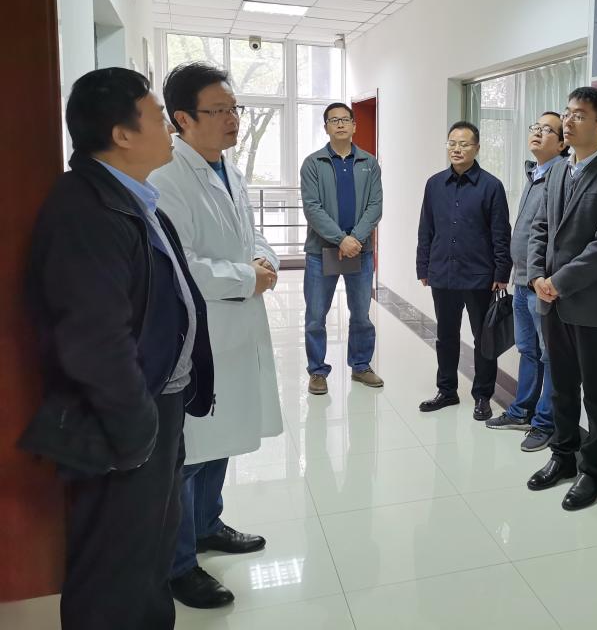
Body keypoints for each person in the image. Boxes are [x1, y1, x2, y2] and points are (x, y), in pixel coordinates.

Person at [21, 67, 213, 630]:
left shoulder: (130, 197)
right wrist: (136, 431)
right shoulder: (85, 211)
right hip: (122, 421)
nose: (170, 129)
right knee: (115, 569)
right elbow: (93, 340)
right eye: (157, 118)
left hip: (153, 408)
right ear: (122, 134)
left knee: (148, 554)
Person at [149, 62, 284, 610]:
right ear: (183, 118)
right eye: (220, 110)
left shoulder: (227, 168)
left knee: (222, 437)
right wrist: (247, 277)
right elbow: (181, 264)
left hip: (236, 327)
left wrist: (264, 262)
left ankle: (208, 524)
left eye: (235, 109)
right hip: (199, 335)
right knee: (192, 450)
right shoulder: (166, 178)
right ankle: (179, 565)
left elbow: (251, 237)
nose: (233, 120)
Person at [526, 86, 597, 511]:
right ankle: (563, 456)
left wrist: (559, 281)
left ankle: (594, 472)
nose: (568, 121)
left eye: (579, 115)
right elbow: (540, 226)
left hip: (593, 306)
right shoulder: (558, 170)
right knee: (561, 387)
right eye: (567, 113)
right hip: (551, 301)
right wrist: (537, 275)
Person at [416, 121, 512, 420]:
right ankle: (447, 390)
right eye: (452, 143)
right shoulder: (434, 184)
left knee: (483, 339)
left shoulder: (491, 186)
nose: (457, 149)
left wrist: (501, 273)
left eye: (464, 144)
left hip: (479, 276)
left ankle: (483, 395)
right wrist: (423, 265)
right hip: (443, 273)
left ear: (477, 148)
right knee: (445, 336)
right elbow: (426, 228)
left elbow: (501, 233)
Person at [485, 111, 568, 452]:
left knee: (549, 355)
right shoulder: (536, 174)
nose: (537, 132)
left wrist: (540, 277)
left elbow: (554, 236)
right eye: (536, 127)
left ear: (562, 144)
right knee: (527, 350)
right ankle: (521, 411)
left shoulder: (561, 176)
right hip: (521, 281)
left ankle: (545, 422)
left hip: (541, 284)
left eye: (547, 130)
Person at [301, 101, 383, 395]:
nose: (339, 124)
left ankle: (361, 366)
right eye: (333, 120)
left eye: (345, 119)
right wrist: (340, 239)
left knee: (361, 314)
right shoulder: (313, 163)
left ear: (354, 126)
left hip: (360, 251)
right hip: (320, 252)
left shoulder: (369, 163)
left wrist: (355, 239)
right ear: (326, 127)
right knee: (316, 316)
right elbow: (312, 208)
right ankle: (317, 371)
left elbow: (375, 205)